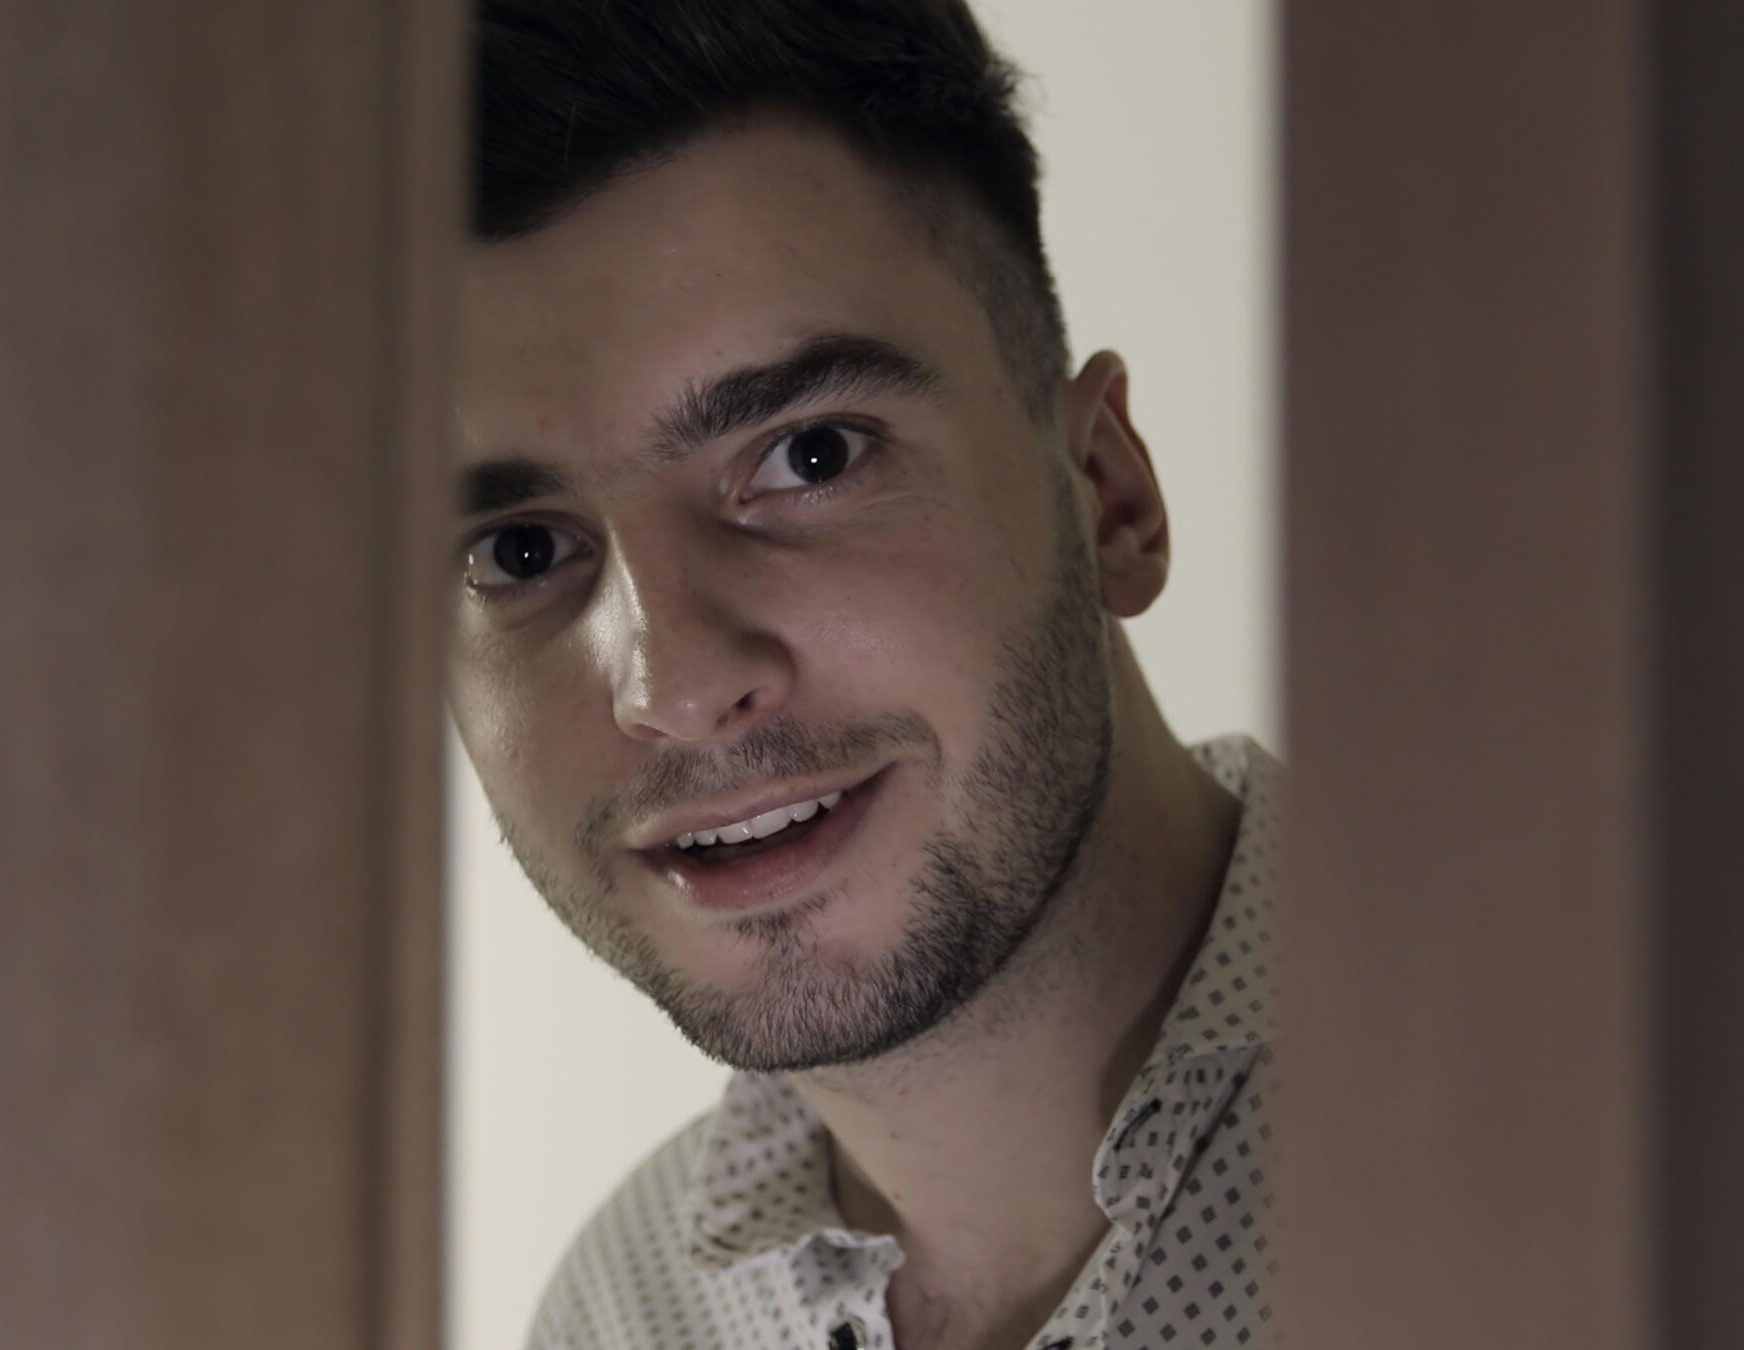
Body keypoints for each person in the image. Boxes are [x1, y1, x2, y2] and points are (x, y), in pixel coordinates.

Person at [448, 3, 1280, 1348]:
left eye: (810, 456)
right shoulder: (620, 1316)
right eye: (523, 547)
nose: (674, 680)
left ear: (1109, 494)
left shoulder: (1593, 1119)